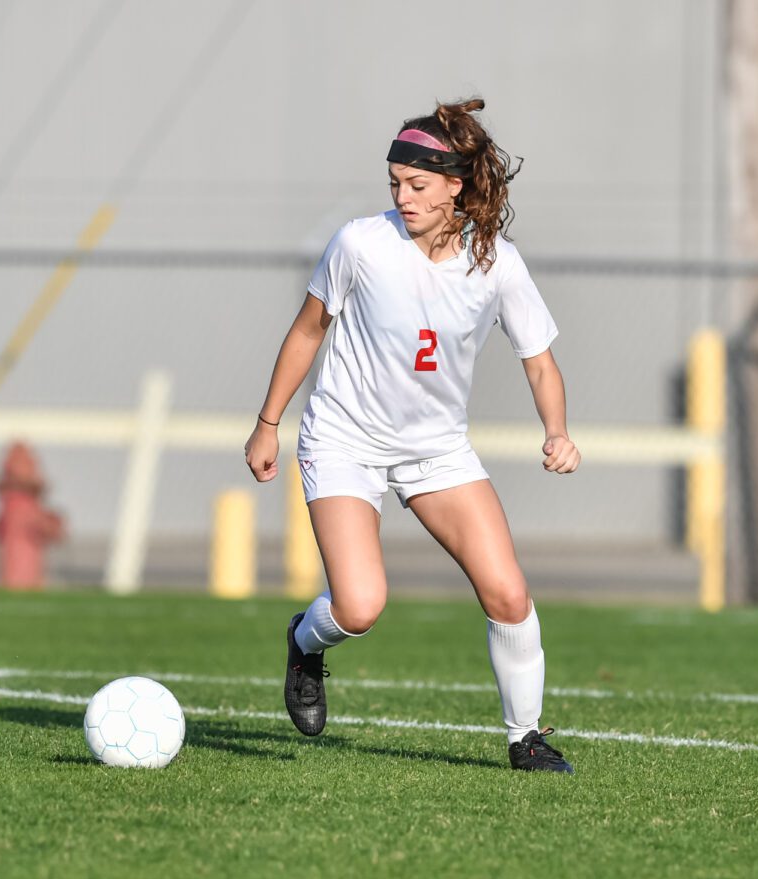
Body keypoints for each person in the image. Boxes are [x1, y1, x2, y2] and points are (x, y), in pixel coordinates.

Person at [244, 98, 580, 773]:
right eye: (394, 183)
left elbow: (539, 359)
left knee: (508, 592)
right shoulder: (360, 244)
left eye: (417, 185)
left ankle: (525, 737)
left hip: (437, 451)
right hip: (344, 439)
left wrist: (558, 431)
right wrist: (267, 423)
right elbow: (309, 330)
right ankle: (306, 642)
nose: (403, 197)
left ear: (456, 185)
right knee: (361, 607)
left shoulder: (497, 264)